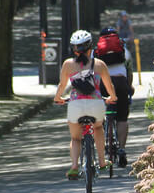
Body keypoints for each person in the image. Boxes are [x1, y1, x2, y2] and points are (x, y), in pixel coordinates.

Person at [53, 30, 118, 179]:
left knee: (76, 138)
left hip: (75, 105)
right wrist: (112, 97)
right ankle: (102, 161)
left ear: (73, 49)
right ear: (91, 47)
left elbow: (62, 86)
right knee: (98, 127)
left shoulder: (68, 64)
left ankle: (74, 166)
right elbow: (110, 87)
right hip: (96, 104)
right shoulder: (99, 64)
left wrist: (58, 98)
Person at [97, 27, 133, 167]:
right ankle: (122, 149)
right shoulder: (124, 51)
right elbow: (129, 73)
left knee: (100, 114)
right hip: (120, 83)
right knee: (122, 118)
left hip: (103, 85)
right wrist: (129, 87)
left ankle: (105, 132)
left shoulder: (96, 52)